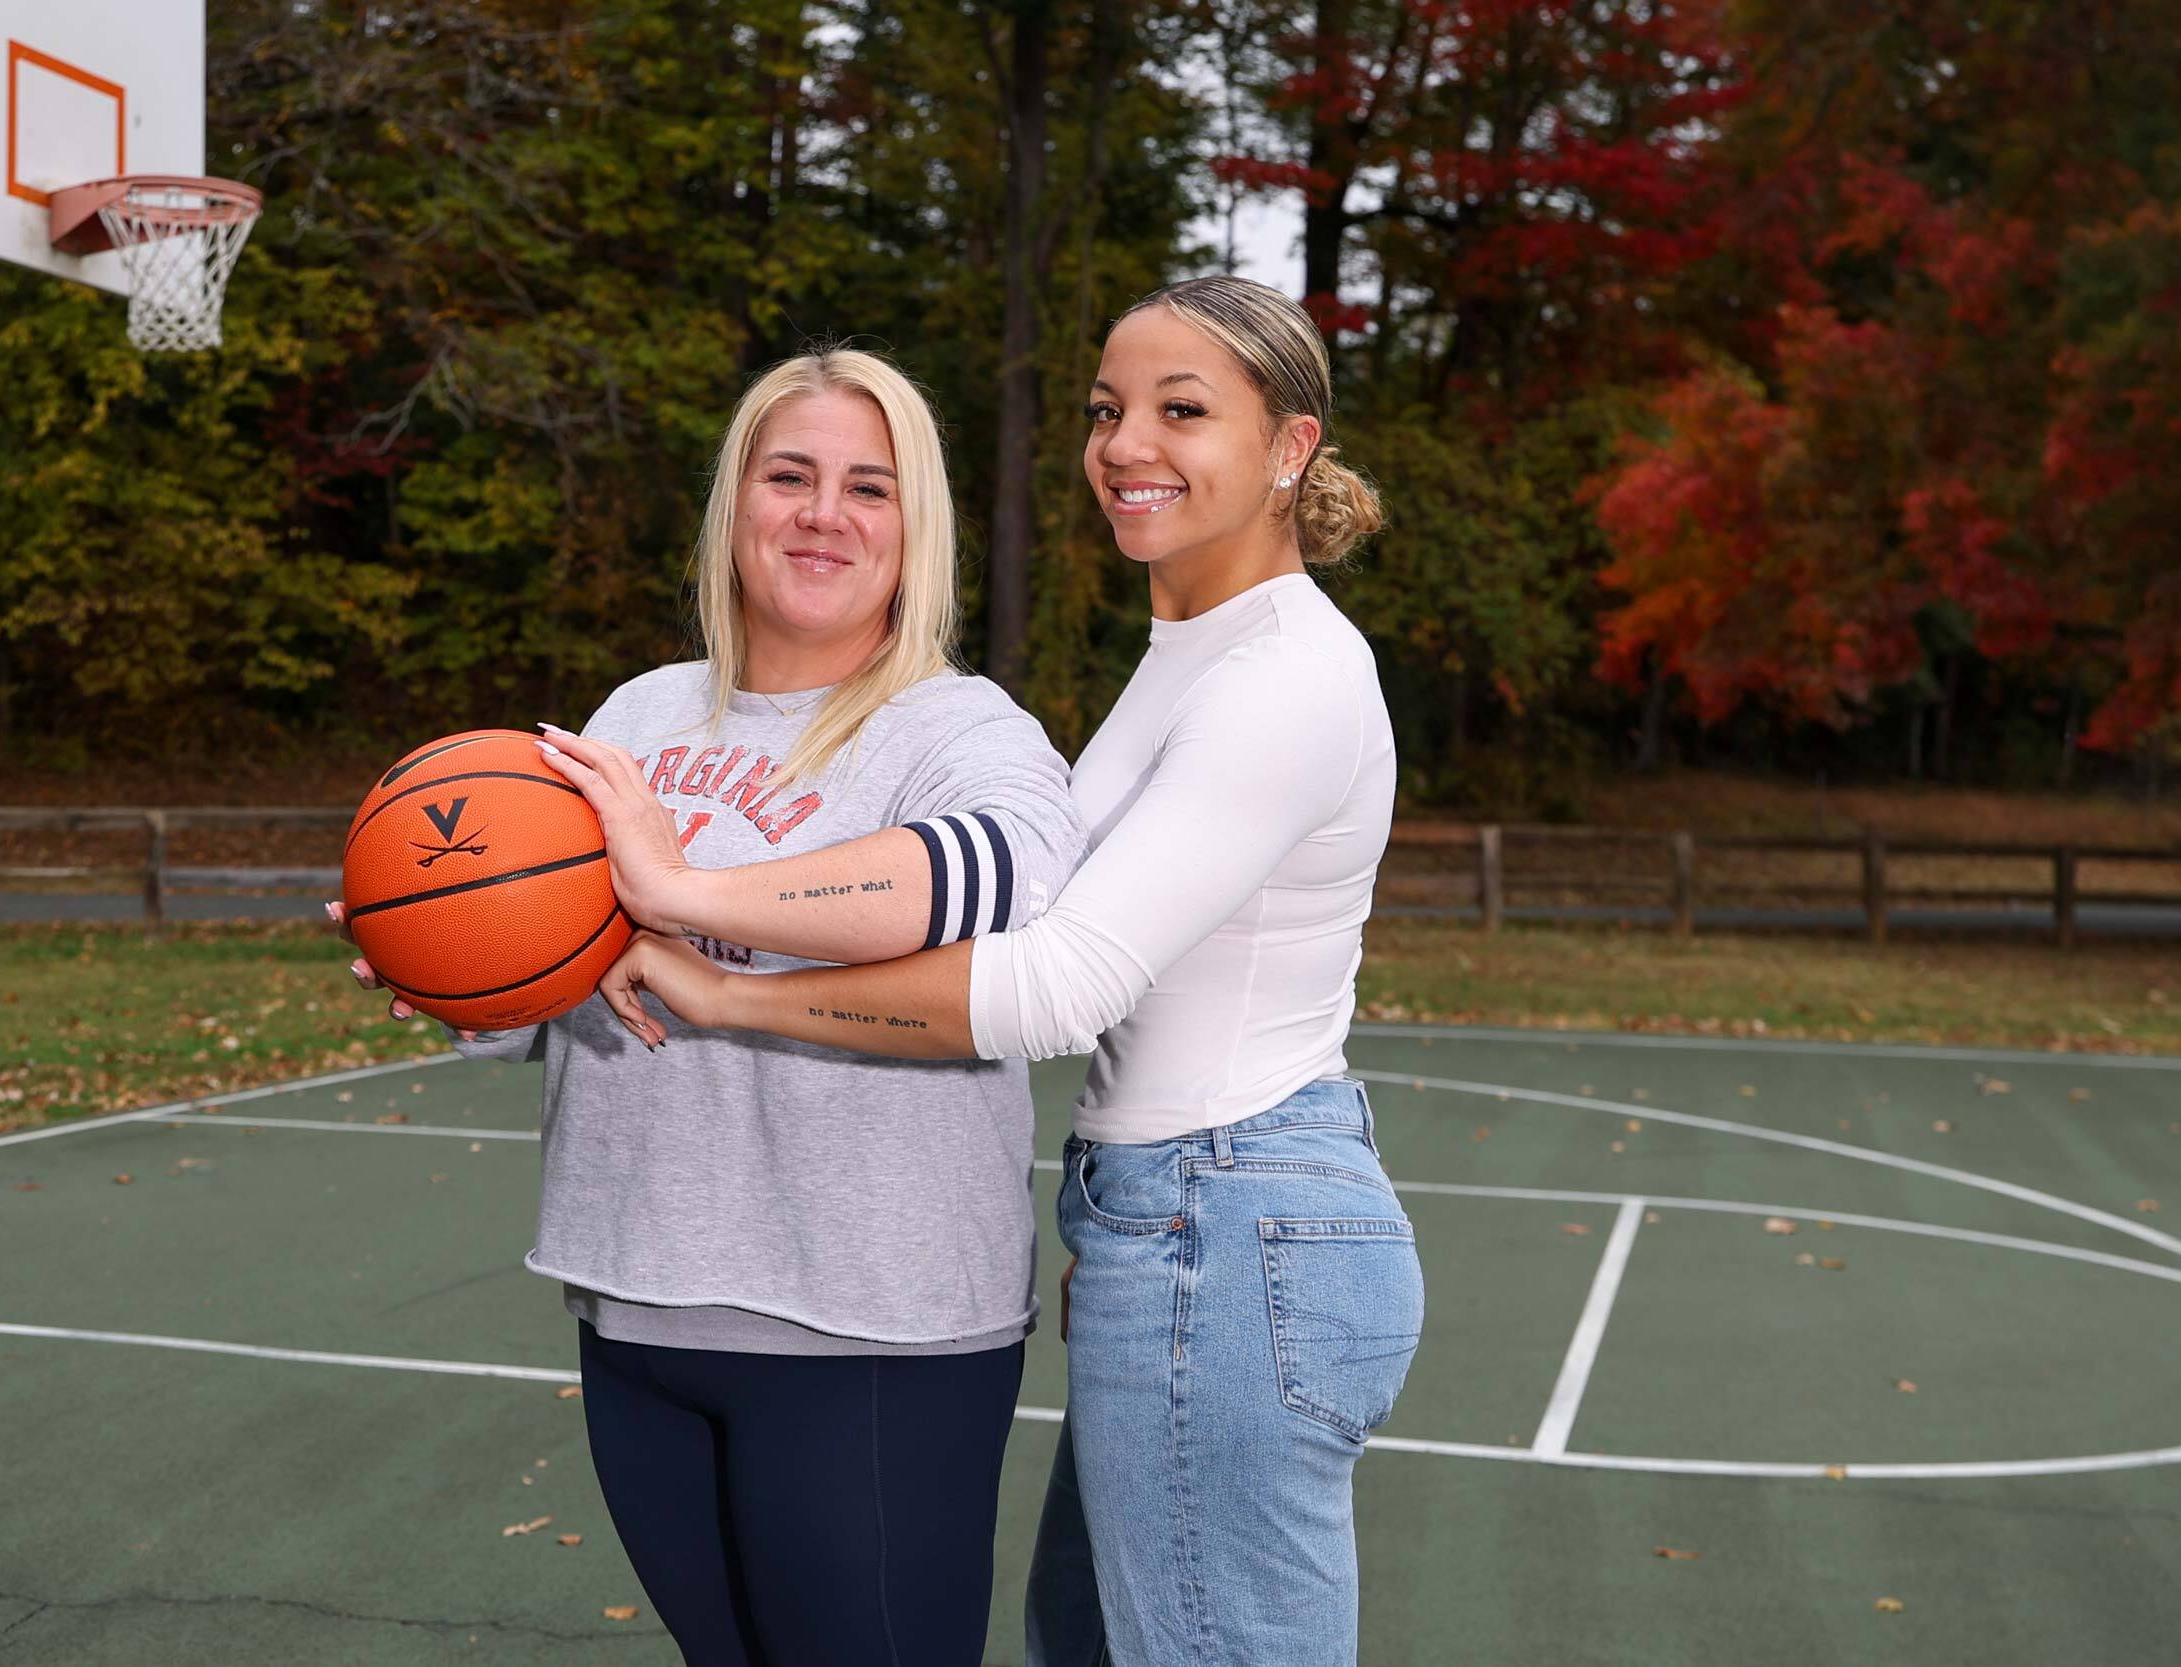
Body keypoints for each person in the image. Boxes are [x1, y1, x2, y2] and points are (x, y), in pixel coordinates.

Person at [546, 276, 1422, 1666]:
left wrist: (726, 974)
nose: (1128, 443)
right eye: (1108, 409)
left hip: (1232, 1211)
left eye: (1183, 410)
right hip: (1171, 1216)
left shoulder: (1288, 675)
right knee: (1090, 1640)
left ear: (1292, 447)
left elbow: (1058, 983)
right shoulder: (1192, 653)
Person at [340, 345, 1086, 1665]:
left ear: (918, 529)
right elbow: (553, 995)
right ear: (735, 501)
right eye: (788, 474)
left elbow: (999, 883)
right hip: (639, 1302)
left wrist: (680, 890)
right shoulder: (639, 712)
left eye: (869, 486)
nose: (821, 513)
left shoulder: (957, 728)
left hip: (869, 1323)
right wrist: (451, 965)